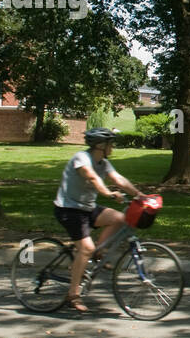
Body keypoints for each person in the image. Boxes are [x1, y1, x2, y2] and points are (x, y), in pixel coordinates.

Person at [53, 127, 147, 312]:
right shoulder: (82, 158)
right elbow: (92, 177)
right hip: (68, 210)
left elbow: (118, 179)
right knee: (85, 248)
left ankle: (98, 254)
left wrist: (139, 195)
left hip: (87, 208)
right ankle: (73, 294)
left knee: (120, 219)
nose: (113, 147)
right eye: (111, 144)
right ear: (101, 145)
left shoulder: (103, 163)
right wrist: (108, 194)